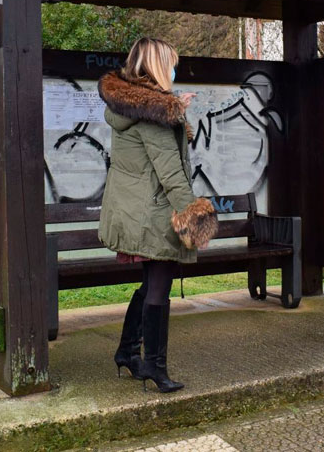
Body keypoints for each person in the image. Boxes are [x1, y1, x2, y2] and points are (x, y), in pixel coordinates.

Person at [97, 38, 218, 393]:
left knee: (150, 284)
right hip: (153, 213)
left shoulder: (132, 107)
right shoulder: (153, 114)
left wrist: (177, 111)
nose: (175, 70)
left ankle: (128, 352)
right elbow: (171, 173)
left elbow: (160, 151)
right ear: (159, 67)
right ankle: (154, 365)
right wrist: (195, 220)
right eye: (172, 64)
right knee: (159, 289)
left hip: (134, 211)